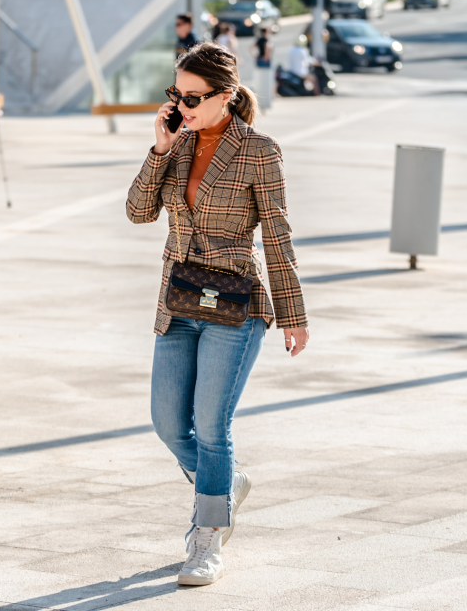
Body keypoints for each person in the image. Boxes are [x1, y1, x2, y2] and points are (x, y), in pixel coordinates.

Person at [126, 42, 308, 586]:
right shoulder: (176, 145)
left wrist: (293, 312)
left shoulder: (259, 150)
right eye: (175, 95)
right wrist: (159, 150)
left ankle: (206, 540)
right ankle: (225, 486)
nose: (182, 105)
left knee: (212, 427)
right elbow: (138, 213)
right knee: (166, 422)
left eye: (192, 97)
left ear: (225, 97)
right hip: (179, 301)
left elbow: (277, 235)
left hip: (236, 307)